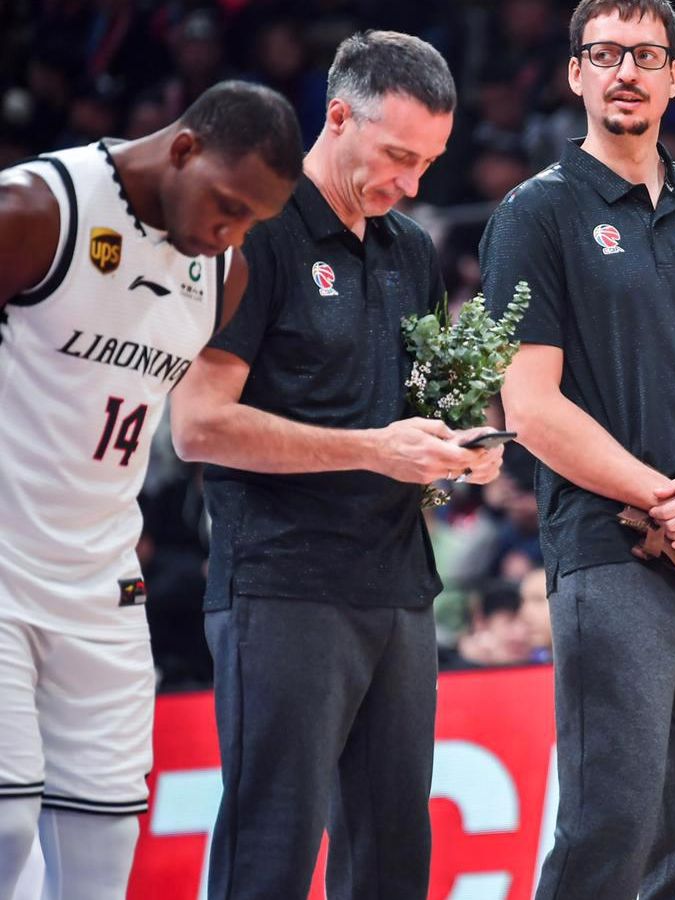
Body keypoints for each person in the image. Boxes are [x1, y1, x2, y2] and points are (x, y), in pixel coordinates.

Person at [168, 32, 503, 900]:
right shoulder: (260, 233)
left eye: (428, 163)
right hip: (281, 586)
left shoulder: (412, 251)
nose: (413, 184)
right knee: (271, 851)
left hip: (396, 589)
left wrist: (449, 453)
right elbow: (197, 427)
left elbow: (400, 425)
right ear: (338, 115)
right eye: (397, 156)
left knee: (395, 860)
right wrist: (373, 450)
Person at [478, 1, 675, 897]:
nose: (626, 72)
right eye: (605, 53)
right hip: (610, 556)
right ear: (575, 72)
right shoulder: (536, 213)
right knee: (613, 825)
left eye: (647, 55)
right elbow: (530, 409)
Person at [0, 80, 301, 900]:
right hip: (3, 566)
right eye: (228, 205)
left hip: (101, 582)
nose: (230, 233)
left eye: (251, 223)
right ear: (181, 149)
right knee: (6, 828)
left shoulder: (224, 273)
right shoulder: (35, 209)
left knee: (103, 857)